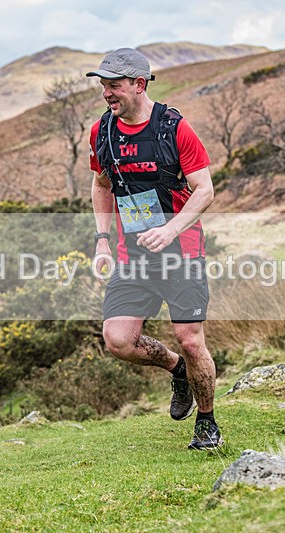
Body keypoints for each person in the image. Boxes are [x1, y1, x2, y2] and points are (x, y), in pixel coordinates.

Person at [87, 48, 223, 450]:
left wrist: (171, 228)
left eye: (114, 85)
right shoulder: (102, 132)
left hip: (181, 249)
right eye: (103, 85)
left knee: (191, 338)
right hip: (133, 255)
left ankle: (207, 421)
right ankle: (176, 370)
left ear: (139, 84)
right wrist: (102, 240)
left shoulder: (173, 128)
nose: (107, 94)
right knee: (118, 340)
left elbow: (205, 189)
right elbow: (101, 185)